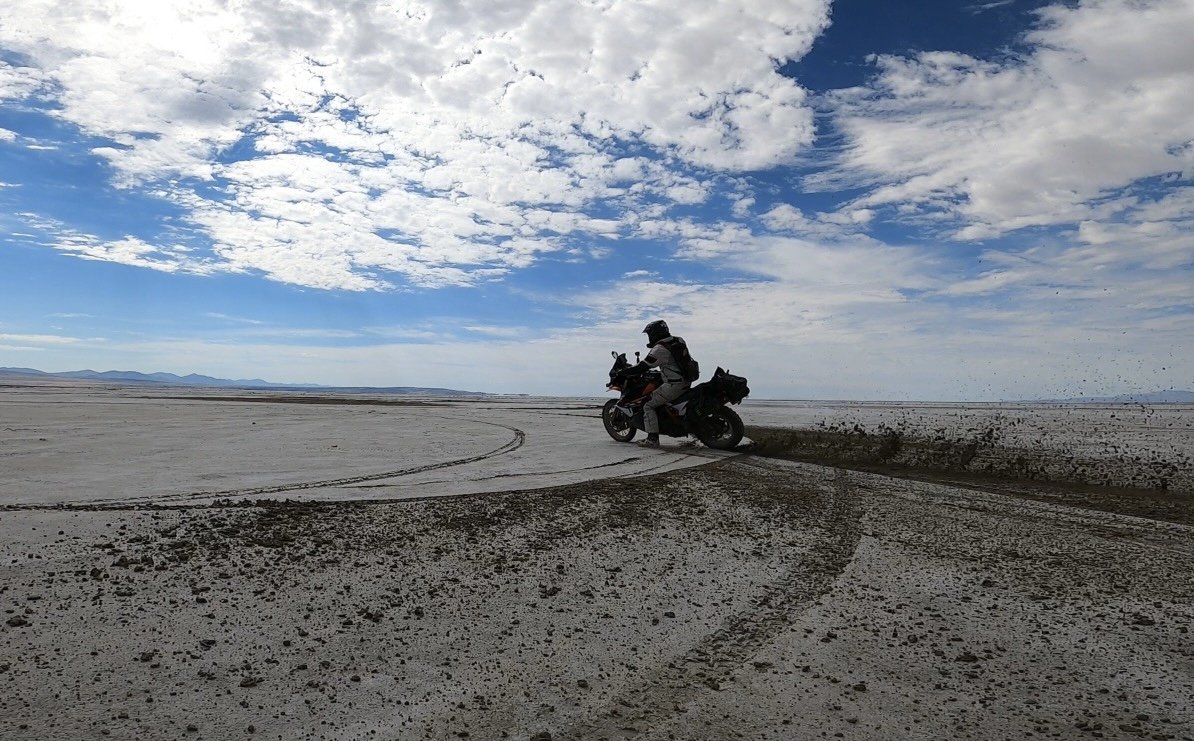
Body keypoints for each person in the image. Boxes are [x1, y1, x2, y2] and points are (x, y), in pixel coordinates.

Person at [630, 319, 691, 448]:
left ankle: (652, 439)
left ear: (655, 333)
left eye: (649, 334)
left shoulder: (659, 349)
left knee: (647, 404)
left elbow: (643, 366)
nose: (649, 337)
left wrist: (625, 371)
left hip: (674, 385)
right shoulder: (679, 340)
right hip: (686, 381)